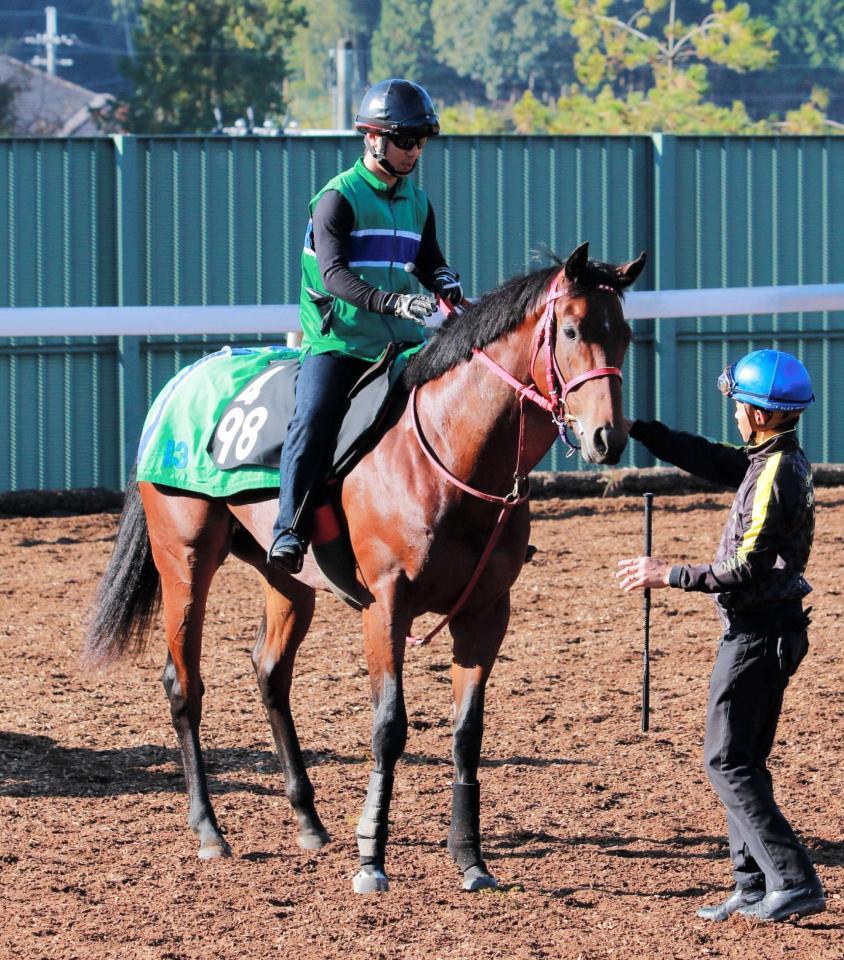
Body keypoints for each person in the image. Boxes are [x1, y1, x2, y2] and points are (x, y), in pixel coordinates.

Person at [617, 349, 825, 923]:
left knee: (727, 761)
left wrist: (669, 574)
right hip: (766, 632)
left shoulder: (774, 475)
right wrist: (639, 429)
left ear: (759, 414)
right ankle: (752, 884)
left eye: (738, 405)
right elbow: (709, 458)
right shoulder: (771, 460)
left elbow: (745, 568)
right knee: (742, 760)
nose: (733, 413)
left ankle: (794, 880)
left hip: (758, 637)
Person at [268, 79, 463, 573]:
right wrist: (394, 303)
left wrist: (443, 279)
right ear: (373, 138)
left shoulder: (417, 200)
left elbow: (429, 259)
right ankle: (289, 528)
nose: (414, 151)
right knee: (314, 418)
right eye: (405, 140)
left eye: (421, 141)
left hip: (403, 346)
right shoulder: (336, 199)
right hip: (341, 342)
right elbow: (334, 276)